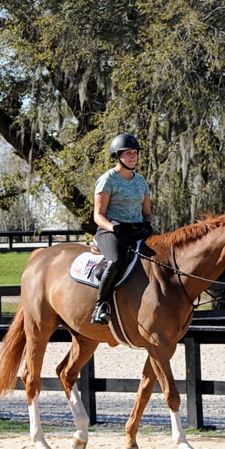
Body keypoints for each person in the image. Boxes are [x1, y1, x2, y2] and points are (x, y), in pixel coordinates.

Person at [90, 133, 153, 325]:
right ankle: (100, 306)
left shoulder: (141, 181)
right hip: (111, 231)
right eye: (128, 153)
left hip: (136, 230)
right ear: (118, 156)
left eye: (135, 153)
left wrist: (147, 225)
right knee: (117, 260)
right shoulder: (107, 180)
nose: (133, 157)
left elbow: (147, 212)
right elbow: (98, 215)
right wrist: (114, 228)